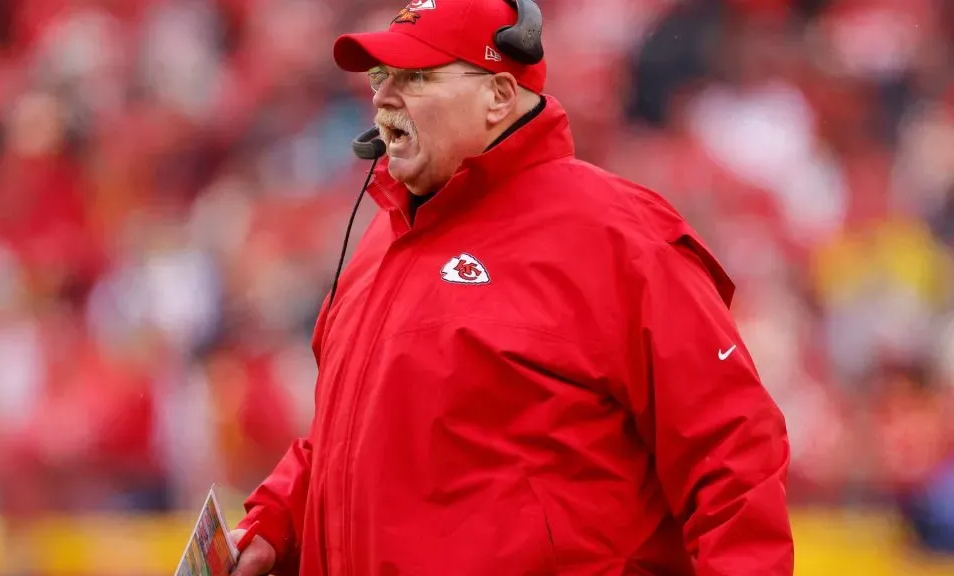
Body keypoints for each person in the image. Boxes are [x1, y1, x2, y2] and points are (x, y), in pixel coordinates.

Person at [230, 0, 794, 574]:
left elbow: (731, 447)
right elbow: (350, 436)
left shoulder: (617, 236)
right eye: (381, 76)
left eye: (417, 77)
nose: (383, 97)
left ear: (499, 95)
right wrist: (275, 521)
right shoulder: (382, 239)